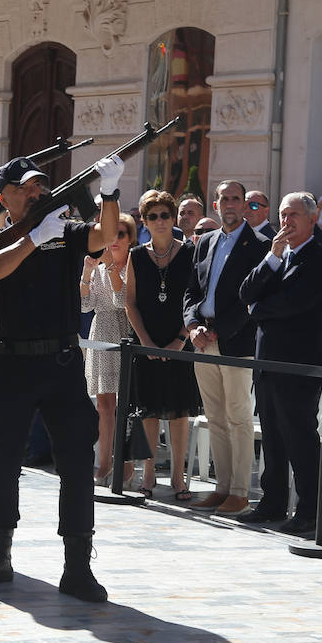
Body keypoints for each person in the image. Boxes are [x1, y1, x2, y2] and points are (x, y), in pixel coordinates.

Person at [0, 150, 125, 602]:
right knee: (0, 460)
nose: (38, 191)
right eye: (27, 187)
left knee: (75, 462)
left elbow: (105, 235)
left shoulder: (66, 231)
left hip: (60, 361)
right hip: (14, 362)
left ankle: (78, 566)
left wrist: (108, 192)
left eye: (40, 184)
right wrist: (35, 237)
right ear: (4, 196)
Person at [236, 191, 322, 534]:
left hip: (298, 364)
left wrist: (258, 311)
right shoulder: (279, 255)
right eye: (282, 215)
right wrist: (272, 257)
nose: (286, 222)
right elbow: (245, 293)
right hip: (267, 363)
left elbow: (294, 303)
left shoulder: (321, 257)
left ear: (311, 219)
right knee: (273, 439)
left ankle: (310, 510)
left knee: (300, 439)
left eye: (293, 215)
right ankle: (272, 502)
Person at [183, 179, 271, 515]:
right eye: (224, 199)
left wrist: (217, 330)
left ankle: (239, 491)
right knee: (214, 417)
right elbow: (192, 291)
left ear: (245, 204)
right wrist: (193, 326)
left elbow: (252, 299)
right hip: (202, 341)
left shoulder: (260, 243)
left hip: (236, 342)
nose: (231, 204)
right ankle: (221, 487)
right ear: (215, 205)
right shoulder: (205, 242)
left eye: (237, 198)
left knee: (238, 417)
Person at [124, 189, 200, 500]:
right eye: (152, 216)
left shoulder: (190, 252)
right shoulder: (136, 255)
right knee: (149, 410)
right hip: (147, 343)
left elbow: (197, 298)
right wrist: (145, 342)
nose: (159, 221)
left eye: (164, 215)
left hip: (180, 341)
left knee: (180, 412)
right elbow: (130, 303)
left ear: (173, 218)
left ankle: (179, 478)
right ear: (144, 221)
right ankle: (149, 473)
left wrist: (179, 340)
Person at [82, 213, 135, 486]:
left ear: (131, 238)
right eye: (110, 235)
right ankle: (103, 464)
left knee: (127, 404)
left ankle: (126, 464)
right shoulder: (100, 267)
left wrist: (112, 267)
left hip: (124, 333)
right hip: (100, 332)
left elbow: (121, 301)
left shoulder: (134, 266)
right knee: (103, 405)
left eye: (121, 235)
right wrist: (87, 273)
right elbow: (85, 307)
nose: (114, 240)